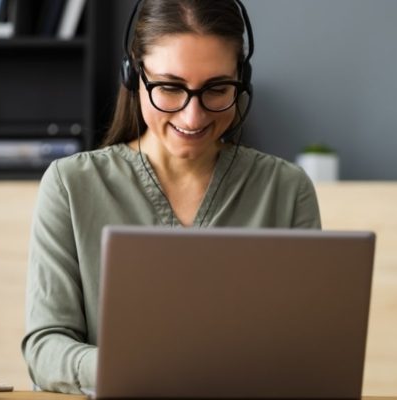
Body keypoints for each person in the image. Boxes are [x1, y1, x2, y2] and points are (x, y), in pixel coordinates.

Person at [21, 0, 321, 394]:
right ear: (133, 76)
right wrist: (131, 370)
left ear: (241, 79)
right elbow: (45, 347)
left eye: (217, 89)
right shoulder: (71, 185)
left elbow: (313, 352)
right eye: (169, 87)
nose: (192, 117)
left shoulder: (287, 189)